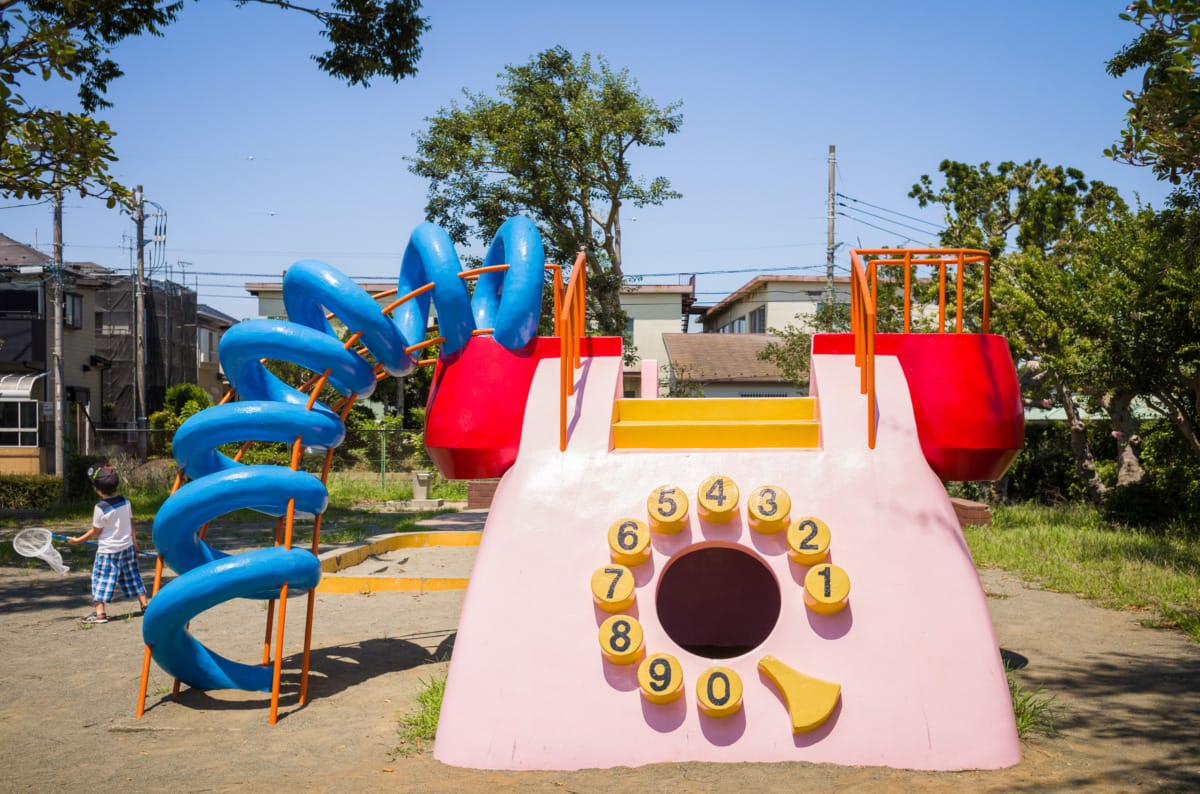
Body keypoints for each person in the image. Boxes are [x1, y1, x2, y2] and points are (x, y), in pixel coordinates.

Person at [68, 465, 150, 624]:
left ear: (97, 490)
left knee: (100, 580)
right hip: (127, 548)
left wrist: (78, 540)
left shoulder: (100, 508)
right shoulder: (126, 502)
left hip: (108, 552)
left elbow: (96, 531)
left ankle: (100, 614)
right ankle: (145, 605)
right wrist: (135, 542)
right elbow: (131, 523)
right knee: (133, 576)